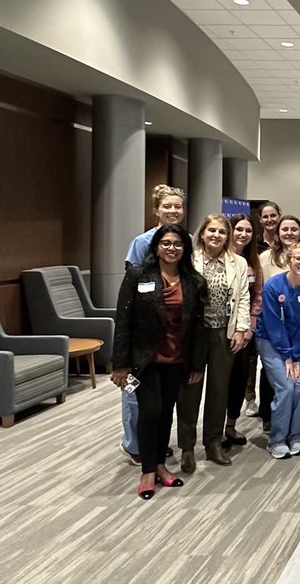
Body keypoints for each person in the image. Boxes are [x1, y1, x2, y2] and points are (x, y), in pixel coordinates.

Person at [111, 225, 207, 499]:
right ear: (156, 247)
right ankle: (147, 470)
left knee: (166, 413)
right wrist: (120, 364)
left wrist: (198, 365)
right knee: (150, 411)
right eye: (166, 243)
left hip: (177, 360)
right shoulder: (138, 275)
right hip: (146, 359)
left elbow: (198, 328)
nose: (172, 248)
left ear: (185, 249)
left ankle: (162, 467)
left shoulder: (194, 282)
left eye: (177, 244)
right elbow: (123, 321)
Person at [119, 184, 186, 466]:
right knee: (136, 395)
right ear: (156, 210)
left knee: (162, 400)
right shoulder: (141, 242)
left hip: (171, 333)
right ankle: (133, 445)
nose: (173, 211)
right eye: (167, 206)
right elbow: (131, 289)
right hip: (144, 333)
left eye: (177, 206)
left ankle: (155, 444)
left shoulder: (186, 239)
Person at [184, 214, 250, 470]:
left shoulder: (239, 263)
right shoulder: (189, 260)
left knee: (218, 391)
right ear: (202, 233)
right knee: (190, 390)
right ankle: (187, 447)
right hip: (195, 336)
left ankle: (213, 442)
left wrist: (242, 328)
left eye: (222, 232)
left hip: (224, 333)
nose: (216, 236)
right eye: (212, 230)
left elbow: (243, 297)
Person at [256, 242, 300, 459]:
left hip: (297, 341)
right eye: (298, 258)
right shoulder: (273, 287)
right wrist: (287, 356)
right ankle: (277, 439)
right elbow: (273, 324)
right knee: (286, 387)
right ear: (289, 260)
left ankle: (294, 436)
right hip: (271, 340)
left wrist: (295, 354)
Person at [225, 214, 262, 439]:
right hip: (220, 330)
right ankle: (214, 429)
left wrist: (249, 328)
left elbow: (257, 296)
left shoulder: (253, 261)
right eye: (239, 229)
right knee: (220, 382)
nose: (243, 234)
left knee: (238, 379)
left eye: (248, 231)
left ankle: (230, 425)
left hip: (245, 331)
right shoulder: (221, 258)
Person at [261, 215, 300, 280]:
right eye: (285, 229)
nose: (289, 233)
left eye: (294, 230)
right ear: (278, 233)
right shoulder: (265, 257)